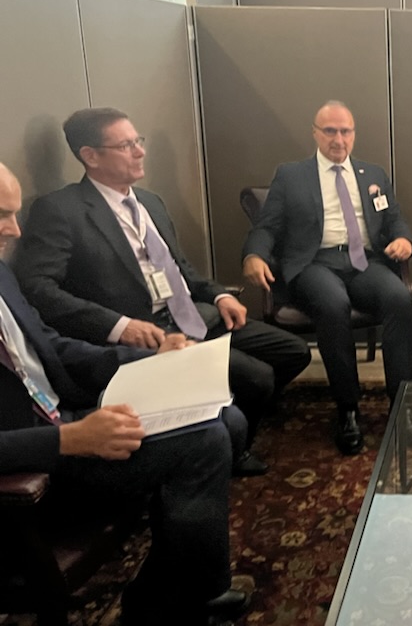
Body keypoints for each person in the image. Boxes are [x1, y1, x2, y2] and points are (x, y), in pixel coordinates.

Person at [0, 163, 249, 626]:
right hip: (30, 469)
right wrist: (67, 439)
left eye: (13, 214)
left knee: (224, 416)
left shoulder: (0, 274)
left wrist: (145, 361)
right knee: (206, 440)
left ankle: (172, 586)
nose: (15, 230)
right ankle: (182, 596)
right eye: (1, 216)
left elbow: (49, 346)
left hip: (65, 415)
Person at [12, 107, 311, 476]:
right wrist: (120, 326)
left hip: (191, 314)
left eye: (138, 141)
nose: (140, 152)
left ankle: (232, 411)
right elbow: (37, 289)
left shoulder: (150, 202)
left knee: (293, 352)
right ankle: (229, 448)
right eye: (125, 145)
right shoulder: (61, 210)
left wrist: (220, 295)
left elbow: (182, 269)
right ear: (90, 156)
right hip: (148, 332)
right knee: (257, 376)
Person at [242, 100, 412, 455]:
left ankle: (404, 404)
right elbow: (267, 226)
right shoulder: (291, 175)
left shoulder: (373, 174)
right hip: (314, 263)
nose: (339, 139)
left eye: (345, 131)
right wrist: (254, 255)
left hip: (364, 262)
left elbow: (394, 218)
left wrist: (404, 239)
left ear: (354, 134)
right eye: (330, 131)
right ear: (315, 133)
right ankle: (347, 409)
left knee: (400, 298)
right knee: (333, 304)